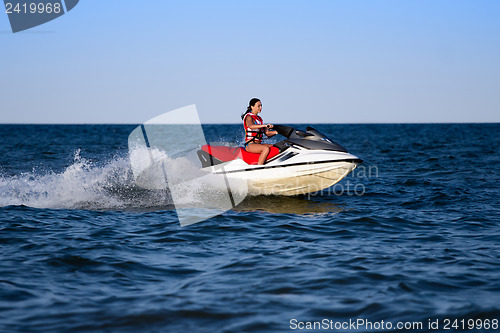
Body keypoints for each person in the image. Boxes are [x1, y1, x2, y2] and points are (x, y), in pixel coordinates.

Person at [241, 98, 277, 165]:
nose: (260, 108)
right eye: (258, 106)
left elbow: (268, 133)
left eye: (261, 106)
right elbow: (250, 126)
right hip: (250, 145)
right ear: (252, 107)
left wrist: (277, 132)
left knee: (274, 147)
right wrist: (264, 126)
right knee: (266, 149)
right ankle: (259, 167)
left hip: (258, 144)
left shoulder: (259, 119)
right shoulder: (249, 117)